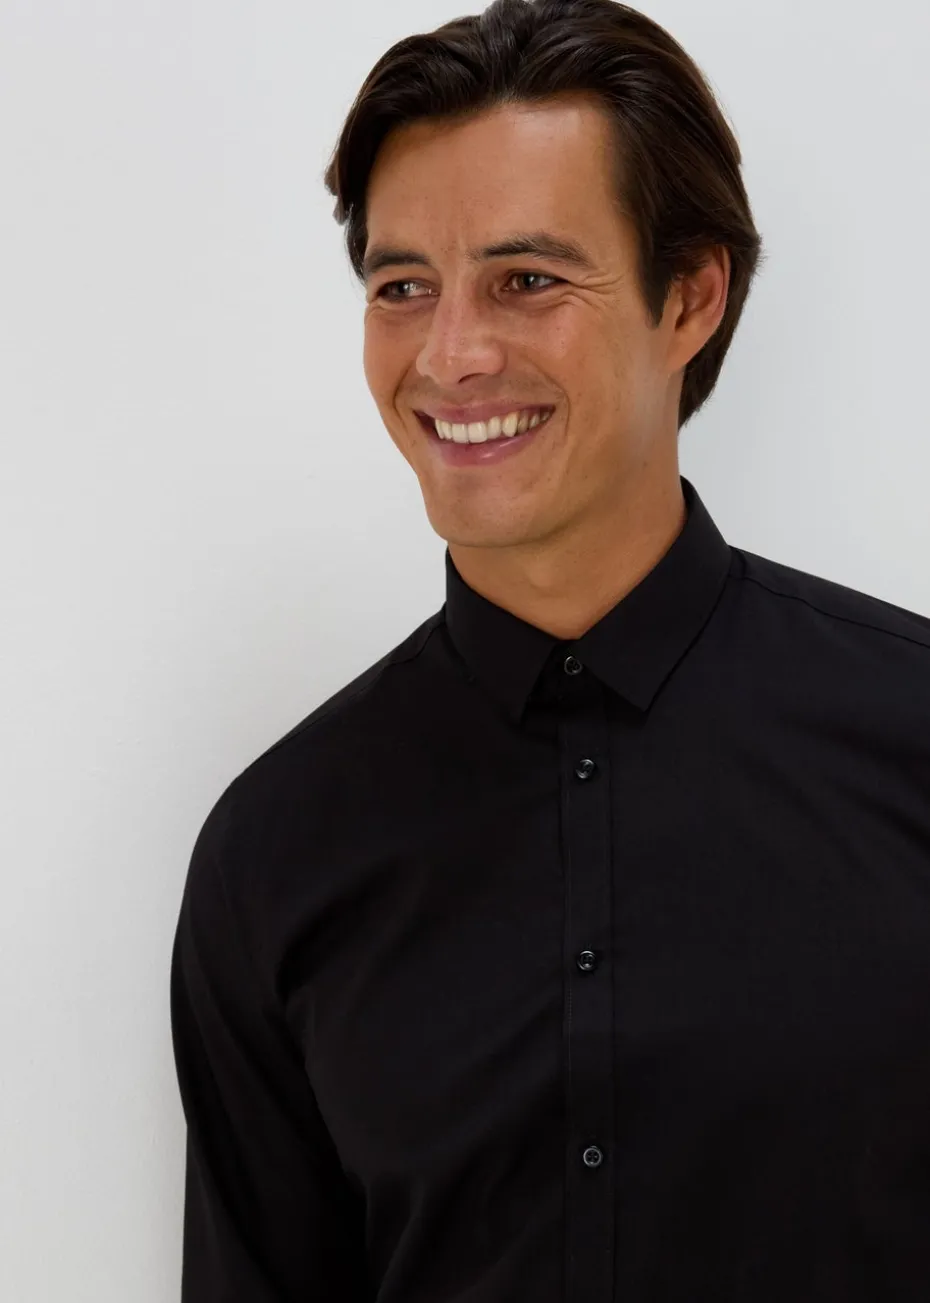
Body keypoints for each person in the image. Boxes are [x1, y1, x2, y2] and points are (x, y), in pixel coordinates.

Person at [169, 0, 930, 1298]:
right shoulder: (276, 850)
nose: (451, 355)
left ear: (690, 298)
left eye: (526, 280)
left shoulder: (910, 743)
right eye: (402, 287)